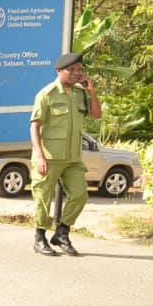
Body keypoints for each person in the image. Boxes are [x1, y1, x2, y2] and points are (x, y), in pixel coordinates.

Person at [29, 51, 102, 256]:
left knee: (80, 195)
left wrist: (92, 91)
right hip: (49, 158)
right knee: (43, 198)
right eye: (71, 70)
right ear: (59, 71)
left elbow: (97, 115)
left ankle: (62, 233)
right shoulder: (47, 94)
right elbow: (34, 127)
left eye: (79, 70)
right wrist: (40, 156)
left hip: (72, 158)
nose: (76, 74)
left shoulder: (80, 94)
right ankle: (40, 238)